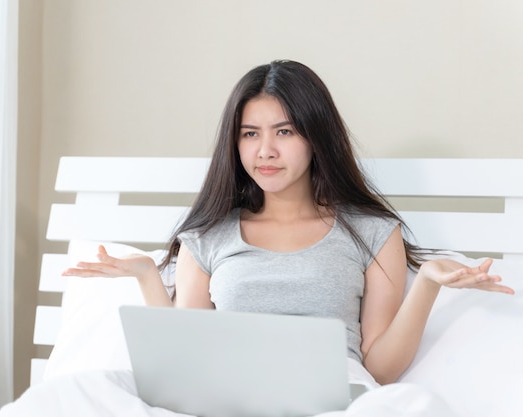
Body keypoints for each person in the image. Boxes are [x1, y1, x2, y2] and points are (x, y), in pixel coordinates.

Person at [63, 59, 514, 386]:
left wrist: (429, 284)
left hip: (332, 399)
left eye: (284, 131)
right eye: (250, 133)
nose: (265, 151)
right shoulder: (207, 239)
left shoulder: (373, 233)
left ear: (316, 137)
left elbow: (379, 370)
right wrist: (147, 275)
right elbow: (181, 363)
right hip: (229, 397)